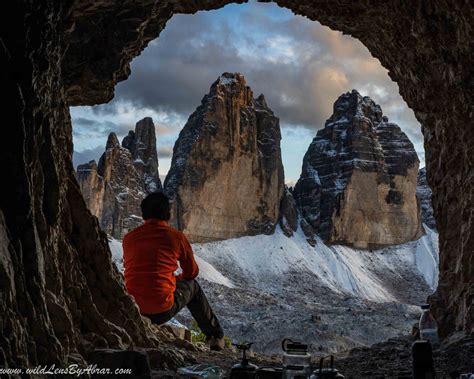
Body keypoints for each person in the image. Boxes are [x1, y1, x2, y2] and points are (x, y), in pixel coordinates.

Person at [123, 192, 225, 350]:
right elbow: (192, 273)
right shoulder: (176, 237)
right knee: (193, 286)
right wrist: (176, 279)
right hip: (161, 310)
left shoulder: (129, 238)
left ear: (143, 214)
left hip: (134, 309)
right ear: (168, 214)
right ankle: (215, 337)